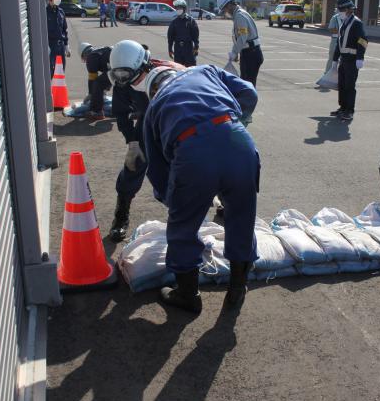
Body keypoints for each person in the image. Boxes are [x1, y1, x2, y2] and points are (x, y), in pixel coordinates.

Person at [142, 65, 260, 313]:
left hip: (192, 151)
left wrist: (173, 201)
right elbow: (249, 92)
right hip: (238, 140)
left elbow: (157, 168)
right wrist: (237, 121)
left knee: (183, 228)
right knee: (242, 216)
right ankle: (237, 288)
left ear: (153, 90)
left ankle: (188, 295)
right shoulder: (205, 71)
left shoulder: (154, 108)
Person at [107, 40, 185, 242]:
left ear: (144, 66)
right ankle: (120, 216)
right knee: (133, 168)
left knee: (189, 168)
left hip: (175, 123)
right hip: (147, 123)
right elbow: (122, 114)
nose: (125, 80)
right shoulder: (123, 80)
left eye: (128, 76)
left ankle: (212, 200)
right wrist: (131, 142)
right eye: (120, 75)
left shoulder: (170, 72)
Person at [330, 0, 368, 121]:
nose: (339, 12)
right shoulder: (344, 23)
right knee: (342, 84)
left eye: (341, 9)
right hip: (344, 59)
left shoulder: (356, 23)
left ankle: (349, 110)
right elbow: (339, 43)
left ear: (348, 9)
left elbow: (363, 40)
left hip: (352, 60)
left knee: (349, 86)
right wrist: (335, 60)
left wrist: (360, 58)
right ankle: (343, 107)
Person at [217, 0, 264, 87]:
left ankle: (249, 101)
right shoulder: (239, 14)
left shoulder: (239, 16)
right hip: (250, 52)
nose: (225, 12)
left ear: (229, 5)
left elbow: (243, 36)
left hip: (251, 54)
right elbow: (239, 37)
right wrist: (237, 52)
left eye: (224, 9)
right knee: (246, 84)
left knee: (247, 85)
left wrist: (234, 52)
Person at [79, 42, 112, 120]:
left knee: (98, 83)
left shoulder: (91, 57)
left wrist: (91, 94)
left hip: (117, 68)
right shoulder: (101, 52)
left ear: (84, 55)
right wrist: (106, 88)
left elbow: (92, 78)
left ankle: (97, 112)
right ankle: (133, 108)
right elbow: (108, 73)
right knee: (122, 86)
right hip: (124, 64)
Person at [46, 0, 69, 77]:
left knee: (60, 71)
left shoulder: (61, 12)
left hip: (61, 46)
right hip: (50, 46)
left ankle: (58, 91)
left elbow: (64, 29)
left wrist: (67, 45)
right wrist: (45, 46)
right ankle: (49, 91)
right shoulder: (44, 12)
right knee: (50, 72)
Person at [167, 0, 200, 67]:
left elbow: (195, 35)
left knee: (191, 69)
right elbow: (170, 37)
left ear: (184, 8)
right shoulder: (174, 22)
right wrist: (170, 49)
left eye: (180, 8)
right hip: (178, 49)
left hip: (189, 48)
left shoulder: (191, 21)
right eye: (177, 8)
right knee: (178, 69)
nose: (178, 9)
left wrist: (196, 46)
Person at [324, 8, 340, 73]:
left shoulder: (349, 18)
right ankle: (327, 74)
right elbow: (331, 29)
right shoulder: (335, 17)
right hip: (335, 40)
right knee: (332, 58)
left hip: (345, 42)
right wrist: (342, 32)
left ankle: (339, 76)